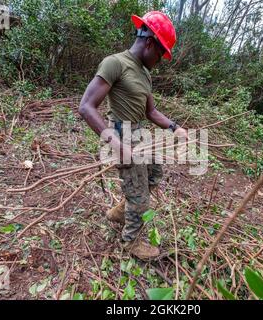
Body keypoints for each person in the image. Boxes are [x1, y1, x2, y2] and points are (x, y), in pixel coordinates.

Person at [78, 11, 187, 260]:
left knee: (154, 173)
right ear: (149, 43)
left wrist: (174, 127)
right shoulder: (115, 63)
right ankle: (131, 242)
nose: (159, 61)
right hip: (121, 134)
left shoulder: (145, 73)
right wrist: (117, 145)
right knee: (140, 196)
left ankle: (120, 211)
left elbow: (151, 111)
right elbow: (86, 106)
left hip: (140, 133)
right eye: (160, 54)